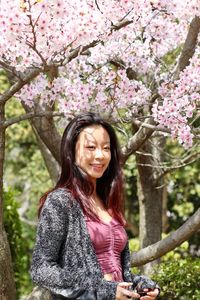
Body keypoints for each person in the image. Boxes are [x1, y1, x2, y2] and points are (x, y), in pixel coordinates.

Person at [31, 112, 160, 300]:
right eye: (91, 147)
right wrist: (103, 290)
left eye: (106, 148)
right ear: (71, 151)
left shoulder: (108, 202)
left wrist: (141, 286)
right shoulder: (60, 201)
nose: (100, 155)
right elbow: (40, 269)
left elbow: (117, 274)